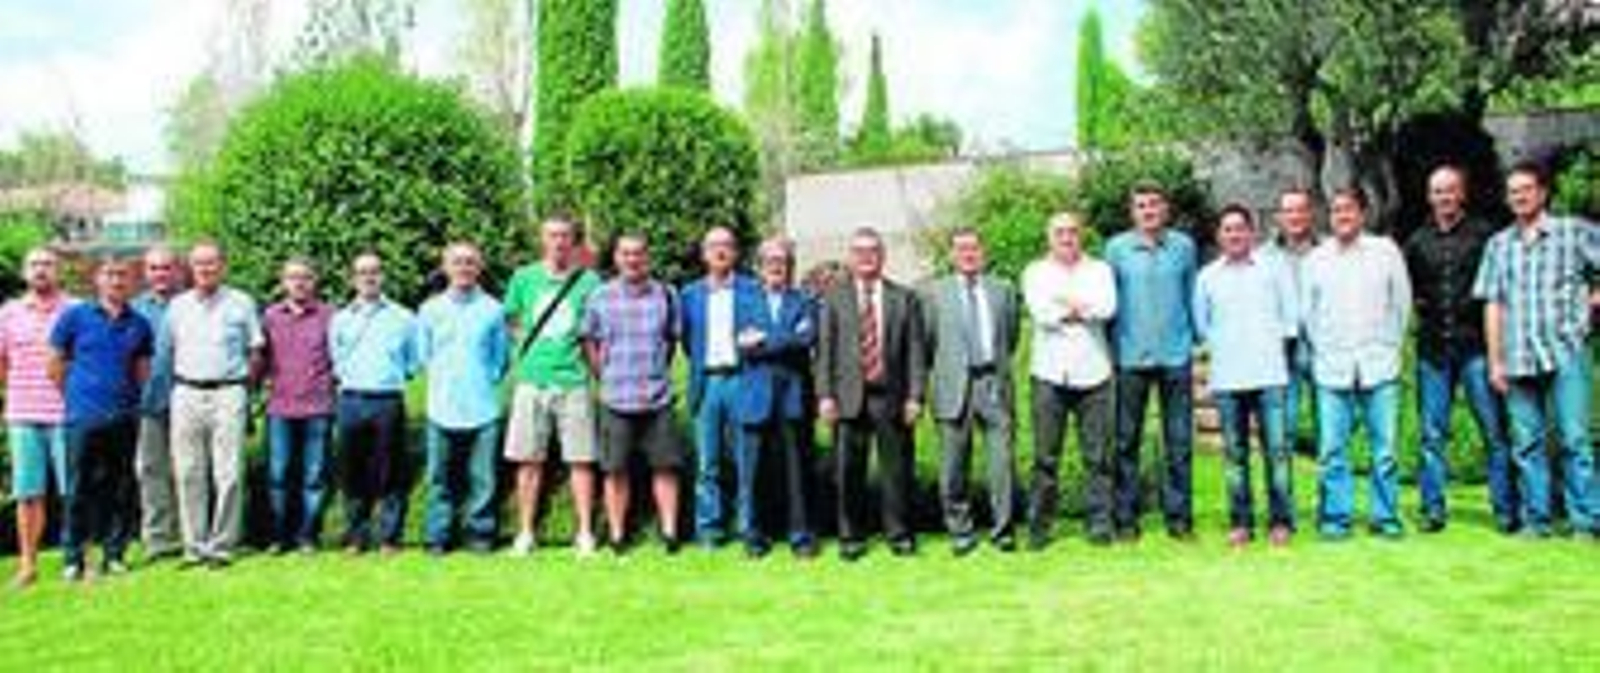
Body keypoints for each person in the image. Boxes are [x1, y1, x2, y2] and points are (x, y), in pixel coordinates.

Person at [1474, 161, 1599, 539]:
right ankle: (1536, 520)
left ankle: (1585, 521)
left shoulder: (1573, 232)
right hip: (1517, 357)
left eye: (1526, 189)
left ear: (1543, 192)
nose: (1519, 197)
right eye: (1513, 192)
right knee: (1526, 444)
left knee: (1574, 440)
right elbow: (1493, 304)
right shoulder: (1499, 244)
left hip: (1566, 352)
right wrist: (1495, 360)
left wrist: (1594, 300)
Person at [1402, 165, 1517, 534]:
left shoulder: (1486, 236)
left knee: (1495, 433)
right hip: (1434, 351)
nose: (1444, 198)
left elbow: (1500, 292)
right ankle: (1432, 509)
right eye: (1437, 191)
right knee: (1432, 435)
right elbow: (1409, 293)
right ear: (1429, 196)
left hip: (1477, 349)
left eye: (1450, 190)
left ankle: (1504, 510)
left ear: (1462, 194)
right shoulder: (1416, 242)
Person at [1302, 188, 1412, 539]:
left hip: (1380, 365)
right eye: (1336, 211)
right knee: (1332, 450)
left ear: (1363, 213)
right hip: (1333, 368)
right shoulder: (1316, 259)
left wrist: (1391, 346)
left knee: (1385, 451)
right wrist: (1325, 350)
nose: (1342, 216)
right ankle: (1336, 518)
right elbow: (1308, 315)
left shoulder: (1385, 251)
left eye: (1349, 209)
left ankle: (1385, 517)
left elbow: (1402, 304)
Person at [815, 226, 927, 560]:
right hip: (848, 397)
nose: (866, 257)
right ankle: (851, 536)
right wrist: (825, 396)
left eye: (873, 251)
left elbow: (916, 353)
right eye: (860, 252)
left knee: (896, 471)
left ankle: (899, 534)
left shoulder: (903, 297)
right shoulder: (834, 297)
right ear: (851, 257)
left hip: (891, 396)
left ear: (882, 256)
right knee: (848, 472)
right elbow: (825, 351)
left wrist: (916, 396)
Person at [1193, 205, 1298, 547]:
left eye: (1240, 228)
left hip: (1270, 376)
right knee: (1235, 457)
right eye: (1227, 229)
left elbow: (1290, 318)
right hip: (1228, 380)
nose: (1234, 235)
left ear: (1251, 233)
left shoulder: (1274, 269)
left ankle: (1281, 522)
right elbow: (1201, 325)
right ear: (1219, 236)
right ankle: (1241, 523)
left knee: (1277, 454)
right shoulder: (1207, 276)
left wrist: (1266, 345)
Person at [503, 215, 603, 557]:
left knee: (581, 460)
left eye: (565, 236)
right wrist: (526, 356)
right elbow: (513, 321)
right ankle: (526, 532)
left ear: (573, 242)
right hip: (531, 380)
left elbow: (595, 329)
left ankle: (585, 533)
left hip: (573, 379)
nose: (559, 242)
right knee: (528, 460)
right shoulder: (523, 277)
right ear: (542, 239)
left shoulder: (589, 281)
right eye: (552, 235)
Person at [1105, 181, 1198, 541]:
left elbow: (1192, 296)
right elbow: (1109, 303)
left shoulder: (1184, 247)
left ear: (1165, 209)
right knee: (1126, 442)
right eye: (1141, 205)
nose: (1148, 211)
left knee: (1179, 442)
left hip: (1176, 355)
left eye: (1154, 204)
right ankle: (1126, 520)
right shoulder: (1116, 249)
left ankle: (1179, 520)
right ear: (1133, 212)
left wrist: (1195, 340)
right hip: (1130, 357)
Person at [49, 258, 153, 580]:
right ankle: (73, 558)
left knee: (121, 486)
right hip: (82, 418)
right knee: (78, 488)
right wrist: (77, 397)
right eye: (109, 275)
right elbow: (55, 366)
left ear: (131, 282)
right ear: (97, 280)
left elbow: (142, 373)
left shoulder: (140, 323)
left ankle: (114, 554)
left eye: (122, 275)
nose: (116, 281)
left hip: (123, 417)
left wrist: (126, 402)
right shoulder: (74, 317)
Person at [584, 233, 685, 554]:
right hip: (615, 398)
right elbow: (589, 340)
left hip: (658, 397)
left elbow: (671, 341)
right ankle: (617, 534)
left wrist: (657, 371)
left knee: (666, 467)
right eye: (626, 254)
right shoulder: (599, 296)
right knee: (615, 470)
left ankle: (669, 533)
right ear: (616, 258)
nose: (633, 259)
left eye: (639, 253)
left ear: (648, 257)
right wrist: (605, 375)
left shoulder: (667, 295)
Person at [165, 241, 265, 567]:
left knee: (229, 472)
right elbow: (167, 353)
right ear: (190, 268)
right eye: (199, 264)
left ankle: (221, 546)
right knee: (188, 471)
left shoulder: (241, 302)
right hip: (186, 391)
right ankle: (193, 547)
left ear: (223, 266)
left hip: (228, 391)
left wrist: (244, 391)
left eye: (212, 263)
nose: (205, 269)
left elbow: (255, 351)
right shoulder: (177, 306)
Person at [922, 227, 1021, 555]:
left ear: (984, 252)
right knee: (953, 466)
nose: (968, 254)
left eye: (974, 248)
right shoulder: (933, 294)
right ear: (951, 255)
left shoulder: (1003, 290)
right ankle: (961, 531)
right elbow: (927, 343)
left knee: (1001, 463)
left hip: (993, 383)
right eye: (961, 249)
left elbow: (1012, 336)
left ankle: (1003, 530)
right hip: (953, 386)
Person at [1022, 213, 1117, 549]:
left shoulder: (1100, 270)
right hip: (1049, 374)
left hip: (1095, 373)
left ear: (1082, 235)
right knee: (1045, 458)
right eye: (1060, 232)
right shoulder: (1035, 272)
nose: (1067, 237)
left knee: (1099, 458)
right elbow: (1041, 314)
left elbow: (1107, 309)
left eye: (1073, 231)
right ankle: (1039, 528)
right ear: (1049, 237)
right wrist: (1081, 308)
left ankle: (1100, 525)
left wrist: (1065, 304)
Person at [417, 242, 508, 555]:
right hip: (440, 407)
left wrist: (483, 381)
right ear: (445, 267)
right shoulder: (429, 310)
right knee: (438, 478)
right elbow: (423, 355)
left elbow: (500, 360)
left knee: (483, 480)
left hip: (483, 407)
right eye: (457, 262)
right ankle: (437, 536)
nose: (463, 268)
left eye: (470, 262)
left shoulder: (493, 310)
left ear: (479, 267)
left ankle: (480, 535)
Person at [680, 226, 765, 553]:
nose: (720, 252)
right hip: (708, 382)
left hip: (743, 379)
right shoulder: (689, 295)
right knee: (708, 463)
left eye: (727, 245)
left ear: (736, 252)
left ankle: (747, 527)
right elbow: (688, 342)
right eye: (713, 246)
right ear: (703, 254)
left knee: (747, 462)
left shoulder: (752, 289)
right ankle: (709, 530)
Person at [331, 253, 419, 555]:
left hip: (387, 400)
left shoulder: (404, 318)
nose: (369, 277)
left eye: (375, 272)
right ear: (353, 278)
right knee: (351, 471)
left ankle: (389, 538)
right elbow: (336, 359)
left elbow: (412, 362)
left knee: (391, 471)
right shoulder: (340, 318)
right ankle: (356, 536)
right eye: (362, 272)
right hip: (351, 399)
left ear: (383, 276)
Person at [736, 237, 818, 558]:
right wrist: (785, 339)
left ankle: (801, 537)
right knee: (754, 472)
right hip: (756, 397)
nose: (776, 266)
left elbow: (806, 339)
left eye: (782, 261)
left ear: (790, 266)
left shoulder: (804, 301)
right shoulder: (745, 303)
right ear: (760, 266)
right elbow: (741, 345)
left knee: (797, 472)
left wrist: (764, 341)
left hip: (793, 397)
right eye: (770, 260)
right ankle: (755, 537)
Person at [1, 247, 74, 587]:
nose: (41, 270)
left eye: (47, 264)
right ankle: (28, 565)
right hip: (23, 414)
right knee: (28, 493)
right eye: (34, 264)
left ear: (58, 270)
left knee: (72, 490)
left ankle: (77, 560)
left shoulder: (75, 310)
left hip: (67, 413)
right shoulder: (8, 313)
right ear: (24, 271)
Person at [261, 258, 336, 553]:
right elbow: (261, 359)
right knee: (278, 475)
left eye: (305, 277)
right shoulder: (270, 316)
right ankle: (279, 536)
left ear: (314, 281)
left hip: (318, 406)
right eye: (293, 278)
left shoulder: (329, 316)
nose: (299, 283)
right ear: (283, 282)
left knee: (314, 477)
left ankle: (308, 536)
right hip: (280, 407)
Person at [132, 246, 182, 562]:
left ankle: (192, 535)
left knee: (191, 471)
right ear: (145, 272)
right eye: (154, 268)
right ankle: (158, 538)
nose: (160, 274)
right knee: (151, 471)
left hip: (188, 399)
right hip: (147, 403)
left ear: (177, 271)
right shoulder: (134, 310)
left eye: (166, 268)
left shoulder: (190, 304)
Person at [1270, 188, 1320, 455]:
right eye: (1289, 211)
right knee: (1282, 430)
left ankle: (1330, 497)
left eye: (1300, 210)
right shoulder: (1264, 256)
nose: (1295, 216)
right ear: (1279, 216)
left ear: (1310, 214)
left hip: (1322, 348)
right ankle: (1283, 496)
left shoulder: (1328, 251)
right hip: (1282, 352)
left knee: (1329, 430)